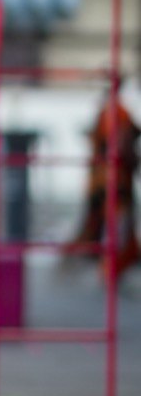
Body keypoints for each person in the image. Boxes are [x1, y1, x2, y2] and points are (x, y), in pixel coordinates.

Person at [64, 79, 140, 278]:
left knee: (110, 224)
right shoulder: (117, 113)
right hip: (113, 181)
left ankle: (111, 267)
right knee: (116, 225)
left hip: (105, 180)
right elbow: (122, 145)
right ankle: (110, 268)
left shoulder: (111, 112)